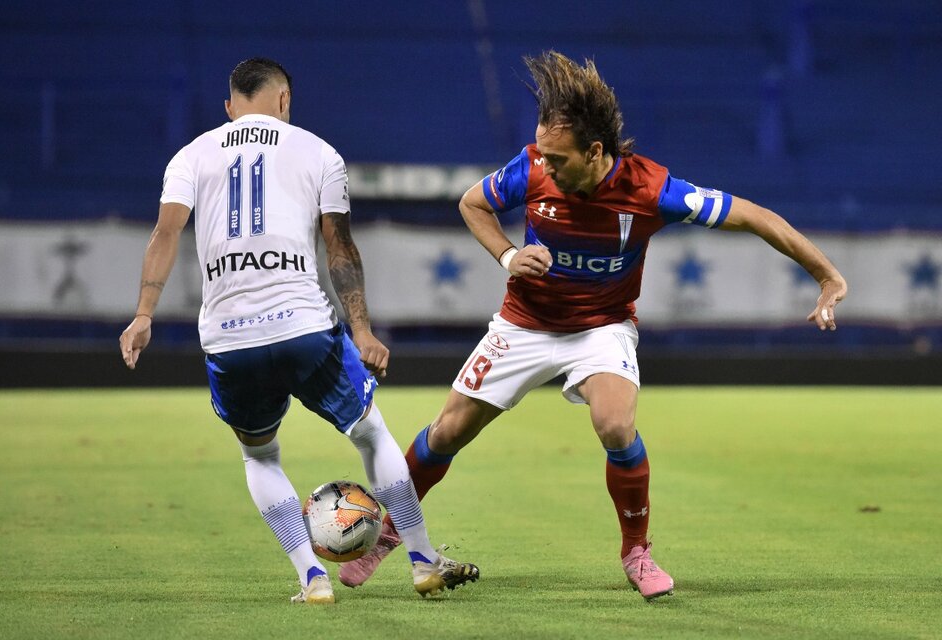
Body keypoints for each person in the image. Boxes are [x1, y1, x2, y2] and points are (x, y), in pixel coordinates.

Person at [339, 50, 848, 600]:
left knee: (614, 425)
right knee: (447, 432)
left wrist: (826, 276)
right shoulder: (531, 168)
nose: (546, 165)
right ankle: (391, 531)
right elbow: (472, 205)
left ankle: (636, 551)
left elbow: (756, 216)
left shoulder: (653, 190)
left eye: (559, 158)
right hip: (524, 323)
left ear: (596, 151)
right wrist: (510, 257)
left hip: (601, 327)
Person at [118, 57, 479, 605]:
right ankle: (423, 560)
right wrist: (361, 328)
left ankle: (311, 577)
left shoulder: (190, 155)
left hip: (229, 338)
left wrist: (144, 312)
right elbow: (340, 248)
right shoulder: (317, 152)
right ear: (284, 100)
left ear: (228, 108)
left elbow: (166, 232)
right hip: (304, 326)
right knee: (371, 433)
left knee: (260, 456)